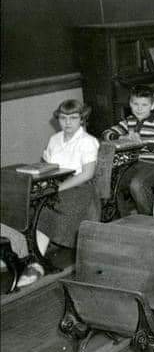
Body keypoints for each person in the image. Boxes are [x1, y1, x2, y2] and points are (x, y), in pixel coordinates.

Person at [27, 100, 102, 285]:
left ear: (82, 119)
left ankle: (35, 263)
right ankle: (31, 256)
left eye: (73, 118)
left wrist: (58, 188)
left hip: (80, 188)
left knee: (45, 208)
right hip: (56, 185)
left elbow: (87, 174)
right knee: (30, 205)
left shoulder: (88, 142)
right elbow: (49, 166)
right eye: (63, 118)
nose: (67, 123)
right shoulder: (55, 139)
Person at [102, 85, 154, 215]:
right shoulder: (129, 122)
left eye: (144, 105)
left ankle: (150, 218)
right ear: (130, 104)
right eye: (135, 104)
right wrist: (123, 136)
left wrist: (145, 144)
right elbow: (106, 134)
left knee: (137, 185)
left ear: (152, 106)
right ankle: (126, 218)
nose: (139, 108)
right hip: (136, 164)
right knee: (113, 184)